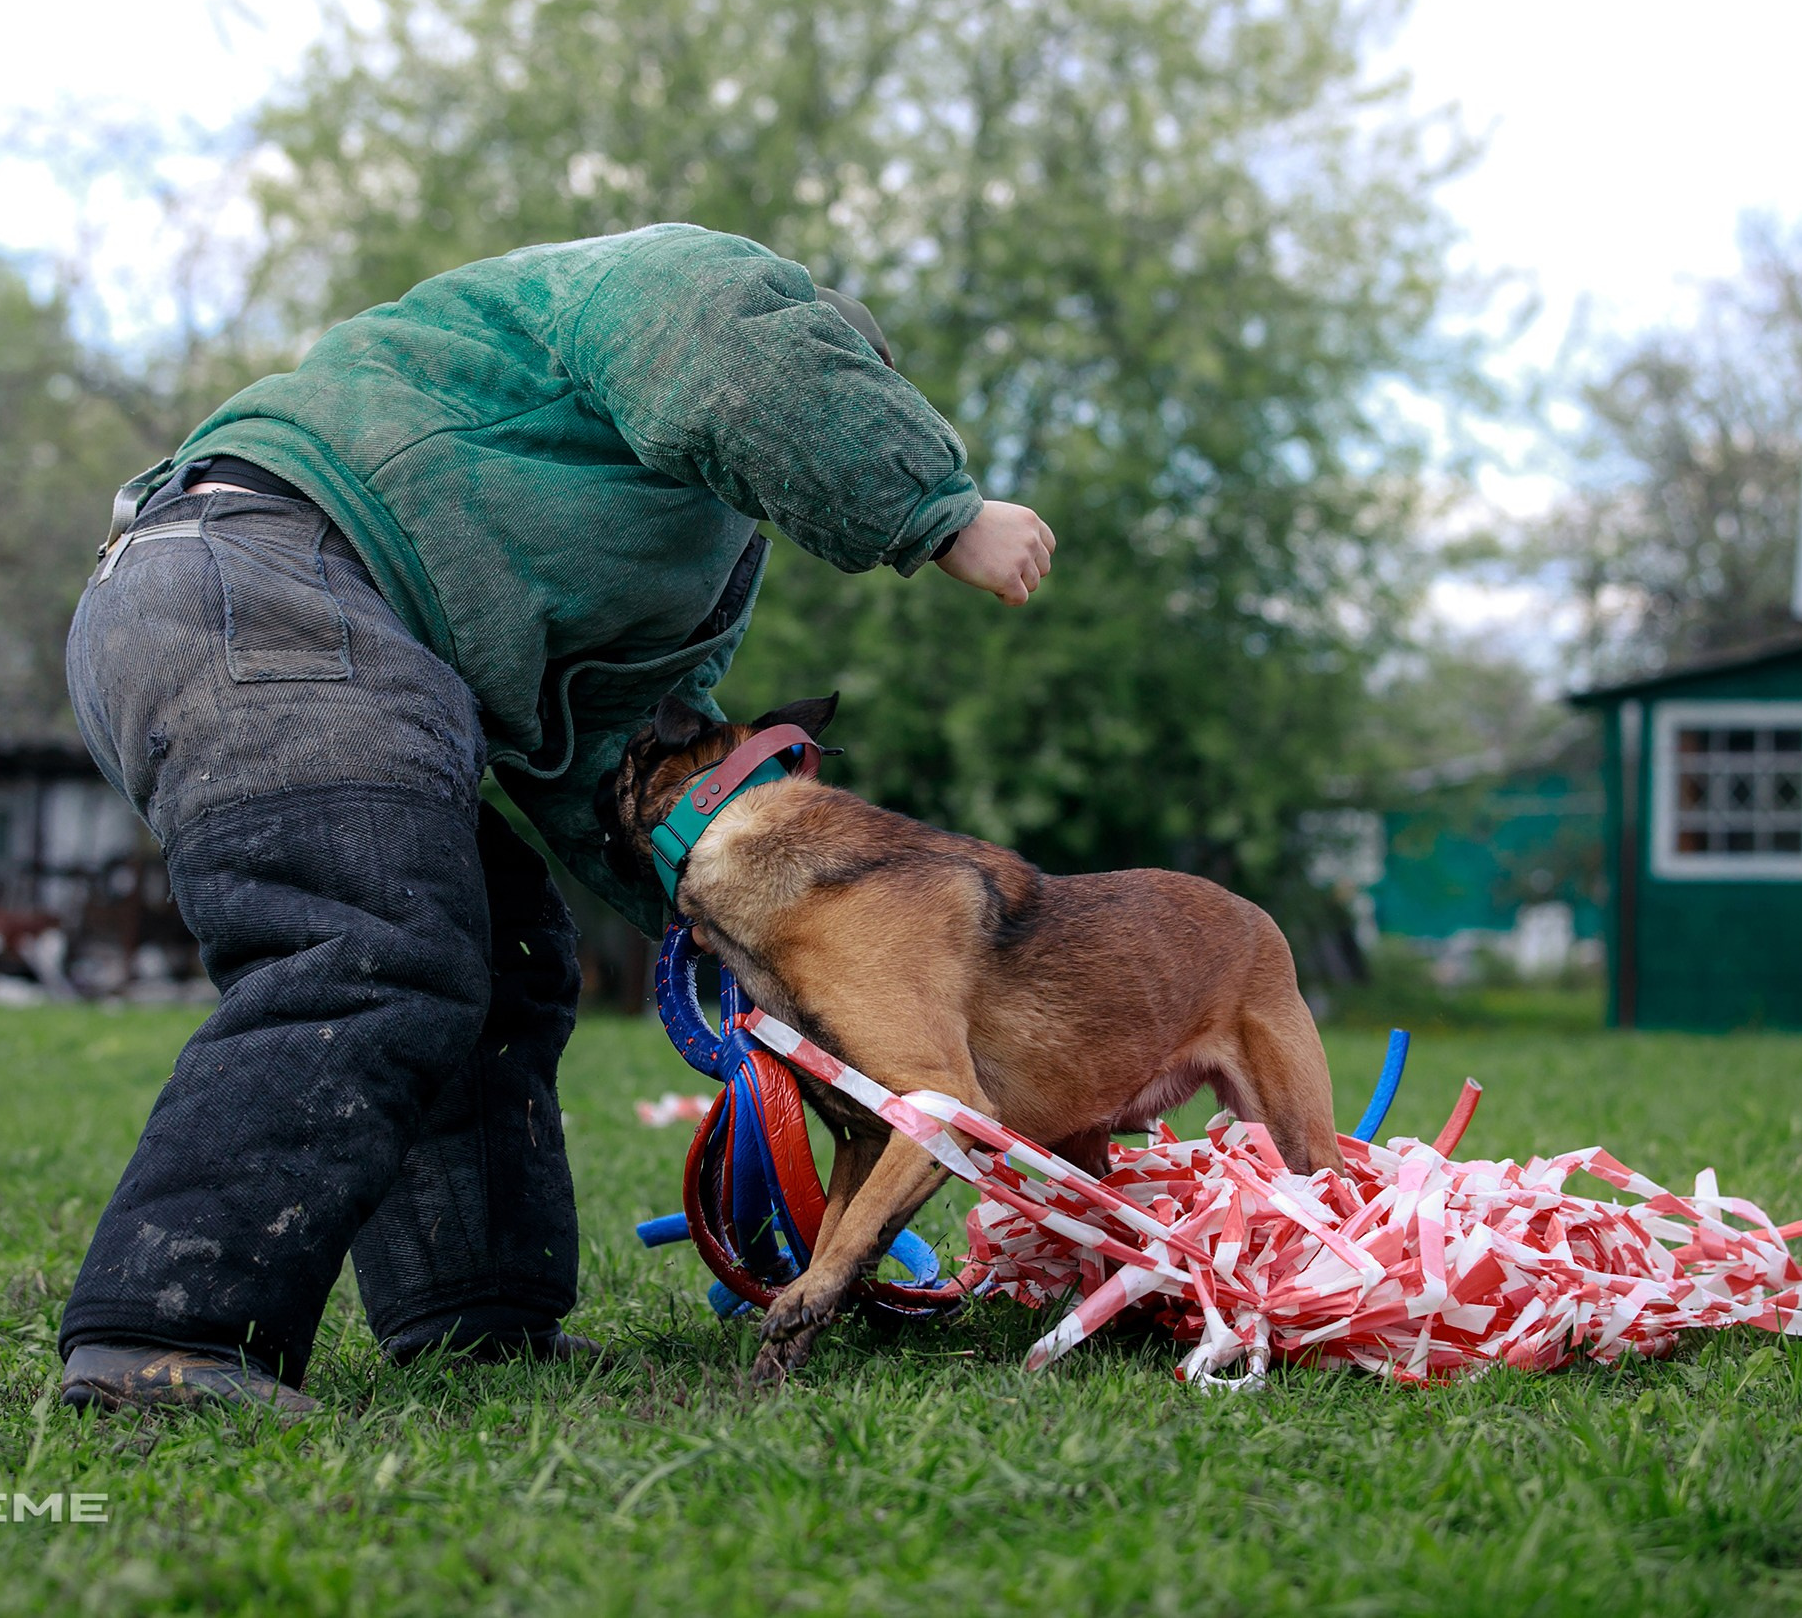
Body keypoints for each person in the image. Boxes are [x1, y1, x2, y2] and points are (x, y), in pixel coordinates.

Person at [56, 223, 1055, 1417]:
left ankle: (476, 1319)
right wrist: (941, 513)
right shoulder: (672, 296)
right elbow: (738, 348)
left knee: (502, 952)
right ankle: (161, 1339)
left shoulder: (639, 525)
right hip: (260, 586)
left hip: (285, 620)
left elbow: (615, 763)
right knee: (371, 945)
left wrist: (776, 960)